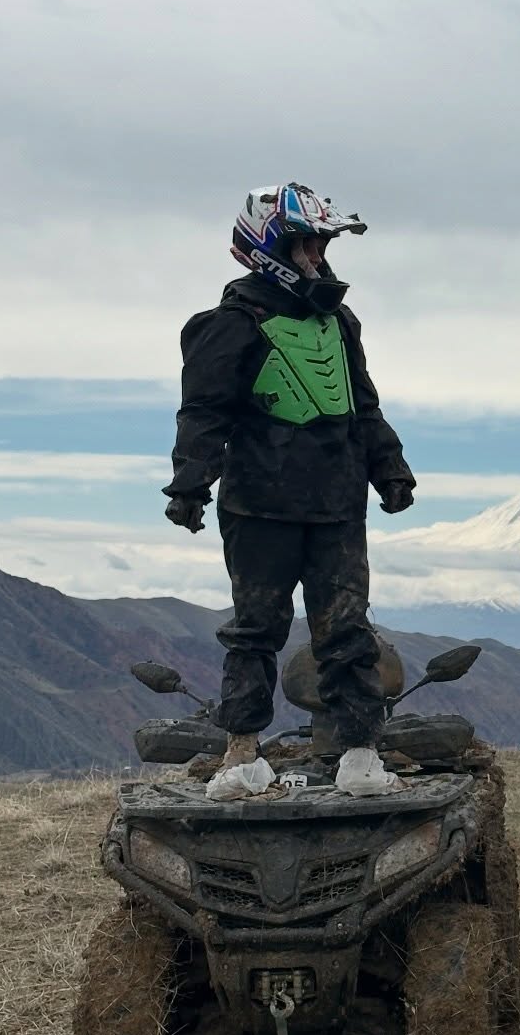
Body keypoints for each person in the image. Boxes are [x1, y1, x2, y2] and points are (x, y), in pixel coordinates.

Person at [163, 181, 415, 794]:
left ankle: (359, 756)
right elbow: (204, 411)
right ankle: (242, 753)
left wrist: (390, 468)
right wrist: (190, 485)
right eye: (307, 245)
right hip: (260, 509)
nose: (318, 258)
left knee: (348, 632)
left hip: (336, 505)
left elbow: (362, 406)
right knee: (255, 631)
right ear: (272, 247)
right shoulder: (228, 324)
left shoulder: (339, 323)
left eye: (322, 247)